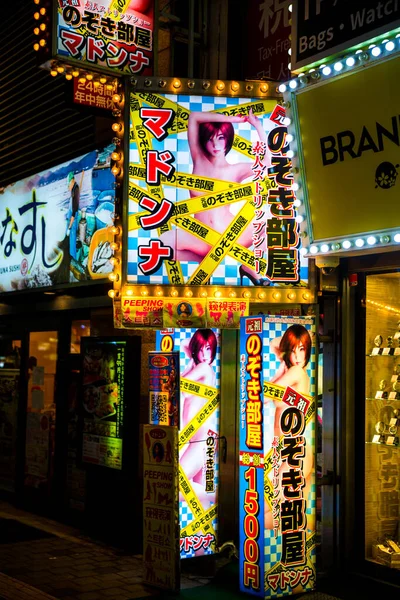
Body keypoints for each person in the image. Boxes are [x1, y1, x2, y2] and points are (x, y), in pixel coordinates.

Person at [161, 109, 271, 284]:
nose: (215, 144)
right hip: (199, 236)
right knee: (161, 244)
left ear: (227, 139)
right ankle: (205, 261)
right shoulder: (199, 160)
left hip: (230, 235)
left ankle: (248, 266)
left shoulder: (235, 170)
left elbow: (267, 163)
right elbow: (194, 116)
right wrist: (235, 120)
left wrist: (257, 125)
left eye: (220, 137)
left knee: (272, 228)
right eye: (210, 138)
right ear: (203, 141)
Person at [265, 324, 314, 530]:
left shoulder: (297, 372)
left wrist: (283, 352)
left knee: (271, 514)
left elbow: (269, 392)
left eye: (302, 349)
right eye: (293, 350)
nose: (297, 356)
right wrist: (284, 353)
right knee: (294, 516)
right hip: (293, 452)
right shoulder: (294, 372)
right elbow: (273, 343)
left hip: (295, 453)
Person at [179, 329, 218, 506]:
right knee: (200, 498)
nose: (204, 355)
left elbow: (177, 383)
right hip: (201, 438)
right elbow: (184, 344)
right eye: (201, 349)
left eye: (209, 348)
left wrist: (196, 349)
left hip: (201, 439)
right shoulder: (197, 367)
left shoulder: (204, 368)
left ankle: (220, 498)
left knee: (178, 480)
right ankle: (203, 533)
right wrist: (195, 348)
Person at [65, 171, 83, 261]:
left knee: (72, 242)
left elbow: (74, 212)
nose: (68, 188)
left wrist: (69, 227)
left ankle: (73, 260)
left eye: (68, 185)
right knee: (70, 241)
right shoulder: (74, 189)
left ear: (72, 181)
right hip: (70, 219)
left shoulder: (75, 192)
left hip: (72, 222)